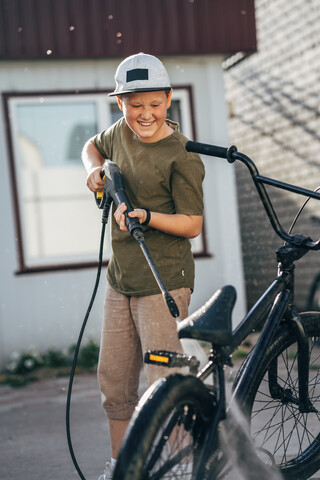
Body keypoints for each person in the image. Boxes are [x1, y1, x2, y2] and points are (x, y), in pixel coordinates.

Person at [82, 52, 205, 480]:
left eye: (154, 103)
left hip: (163, 282)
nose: (145, 114)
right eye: (135, 105)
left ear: (168, 99)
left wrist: (147, 217)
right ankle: (122, 469)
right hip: (122, 282)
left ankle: (177, 470)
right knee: (115, 383)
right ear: (121, 104)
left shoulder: (182, 155)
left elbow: (192, 224)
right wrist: (94, 172)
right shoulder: (119, 133)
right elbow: (91, 147)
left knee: (165, 381)